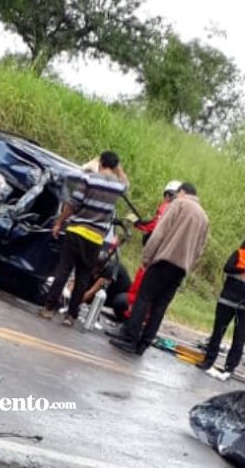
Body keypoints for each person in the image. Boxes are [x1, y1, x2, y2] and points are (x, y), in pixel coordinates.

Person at [109, 181, 208, 355]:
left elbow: (159, 233)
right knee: (160, 306)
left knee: (144, 299)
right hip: (180, 269)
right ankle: (144, 344)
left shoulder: (179, 204)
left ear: (182, 192)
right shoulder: (204, 217)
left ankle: (130, 338)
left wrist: (147, 257)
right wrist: (187, 266)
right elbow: (199, 250)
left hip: (163, 261)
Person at [38, 151, 127, 326]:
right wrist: (119, 168)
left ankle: (49, 309)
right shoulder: (118, 186)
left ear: (101, 162)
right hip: (95, 238)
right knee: (83, 277)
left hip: (77, 230)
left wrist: (59, 222)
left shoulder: (89, 179)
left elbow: (73, 203)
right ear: (115, 166)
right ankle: (71, 316)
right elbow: (126, 183)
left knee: (63, 271)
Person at [197, 234, 245, 380]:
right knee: (218, 331)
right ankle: (208, 360)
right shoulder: (239, 254)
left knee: (239, 338)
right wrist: (244, 270)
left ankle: (229, 368)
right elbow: (227, 268)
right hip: (229, 300)